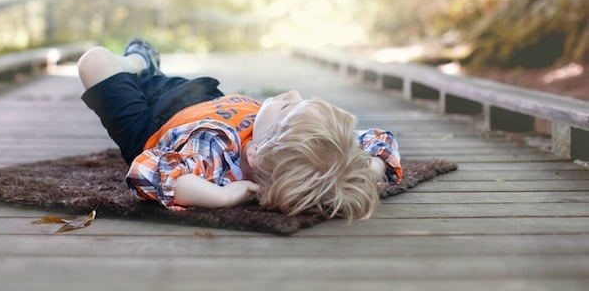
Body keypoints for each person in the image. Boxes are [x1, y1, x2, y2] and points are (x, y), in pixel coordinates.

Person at [77, 39, 402, 220]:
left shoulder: (213, 158)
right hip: (203, 97)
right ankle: (144, 66)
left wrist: (219, 196)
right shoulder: (323, 154)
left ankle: (139, 63)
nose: (291, 94)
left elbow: (147, 172)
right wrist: (358, 169)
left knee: (93, 61)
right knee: (166, 82)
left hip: (149, 125)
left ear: (256, 154)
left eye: (287, 108)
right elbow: (380, 142)